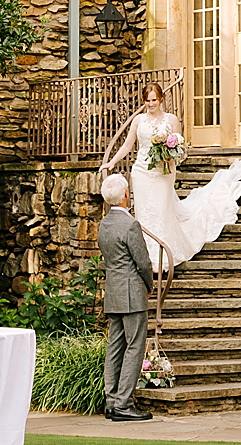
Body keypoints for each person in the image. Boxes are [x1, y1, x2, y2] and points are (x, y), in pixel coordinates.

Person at [99, 82, 241, 270]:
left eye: (154, 100)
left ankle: (164, 254)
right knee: (144, 211)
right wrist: (111, 162)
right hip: (142, 171)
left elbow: (179, 148)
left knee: (161, 209)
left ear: (160, 99)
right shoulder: (138, 120)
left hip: (163, 171)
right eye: (147, 101)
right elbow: (128, 145)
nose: (151, 104)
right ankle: (148, 255)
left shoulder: (171, 119)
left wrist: (170, 158)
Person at [99, 172, 155, 423]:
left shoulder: (104, 224)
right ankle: (123, 404)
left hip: (113, 291)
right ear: (124, 195)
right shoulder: (130, 224)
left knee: (114, 347)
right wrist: (150, 284)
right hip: (132, 292)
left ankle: (112, 402)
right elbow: (142, 262)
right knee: (135, 346)